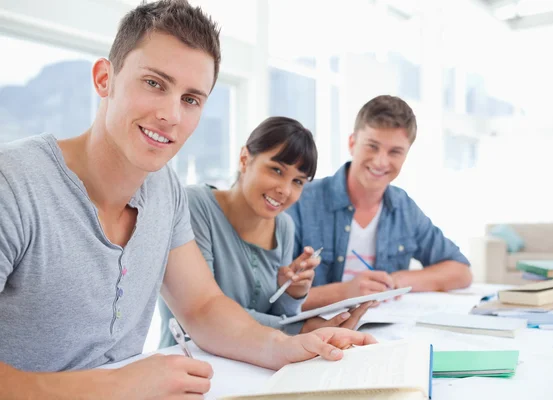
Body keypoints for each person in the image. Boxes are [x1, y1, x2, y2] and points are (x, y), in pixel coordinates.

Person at [0, 1, 376, 398]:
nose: (171, 115)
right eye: (154, 83)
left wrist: (284, 347)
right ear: (104, 79)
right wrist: (117, 385)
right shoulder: (14, 184)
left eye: (191, 99)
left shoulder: (165, 190)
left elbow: (202, 307)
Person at [159, 117, 371, 346]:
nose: (285, 190)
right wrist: (302, 329)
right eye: (276, 170)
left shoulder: (284, 227)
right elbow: (205, 313)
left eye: (298, 181)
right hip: (190, 362)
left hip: (254, 364)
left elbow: (278, 315)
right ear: (244, 159)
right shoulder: (193, 206)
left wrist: (291, 293)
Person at [287, 95, 472, 311]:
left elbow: (461, 271)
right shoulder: (301, 200)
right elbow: (270, 298)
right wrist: (347, 292)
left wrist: (397, 281)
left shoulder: (403, 208)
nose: (381, 161)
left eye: (395, 152)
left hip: (383, 333)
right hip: (314, 336)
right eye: (372, 146)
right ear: (352, 143)